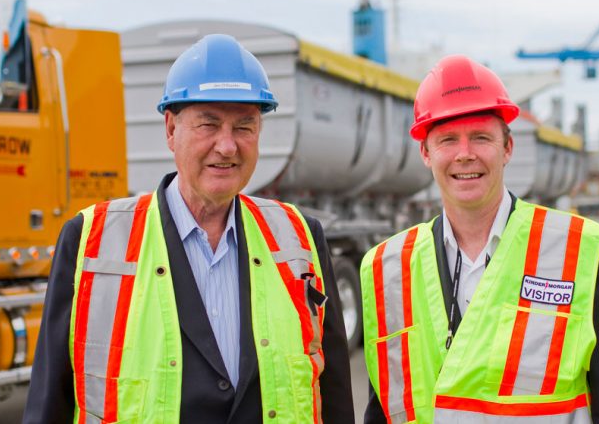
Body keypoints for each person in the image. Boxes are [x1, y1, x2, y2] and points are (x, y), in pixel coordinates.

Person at [24, 34, 354, 423]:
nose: (227, 146)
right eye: (208, 124)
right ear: (170, 129)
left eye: (244, 126)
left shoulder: (300, 236)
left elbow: (332, 392)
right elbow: (50, 402)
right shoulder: (91, 240)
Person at [360, 55, 599, 423]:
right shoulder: (386, 269)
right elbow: (383, 408)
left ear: (507, 148)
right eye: (448, 140)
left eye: (481, 137)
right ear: (426, 153)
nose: (465, 154)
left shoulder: (575, 249)